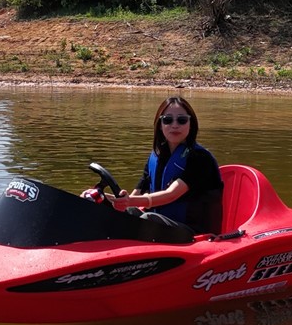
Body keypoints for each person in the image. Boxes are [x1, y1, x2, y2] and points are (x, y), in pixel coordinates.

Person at [86, 96, 224, 235]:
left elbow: (171, 195)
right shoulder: (157, 155)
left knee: (148, 220)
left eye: (181, 120)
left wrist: (128, 202)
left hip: (195, 234)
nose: (174, 125)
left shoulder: (200, 159)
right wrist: (111, 200)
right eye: (168, 120)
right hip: (163, 226)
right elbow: (135, 194)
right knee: (108, 208)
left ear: (190, 124)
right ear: (160, 124)